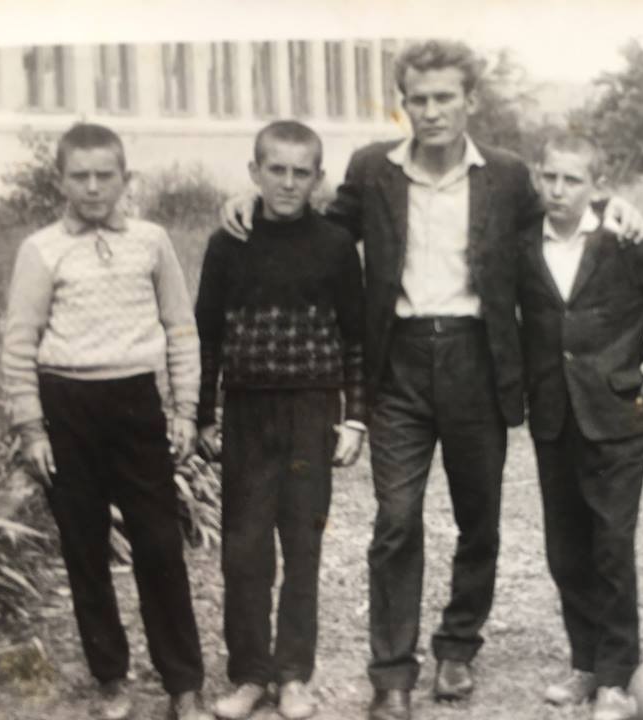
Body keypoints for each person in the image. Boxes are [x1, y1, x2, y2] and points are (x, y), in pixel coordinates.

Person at [220, 40, 643, 720]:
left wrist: (614, 206)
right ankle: (392, 674)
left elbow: (562, 217)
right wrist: (254, 198)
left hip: (479, 359)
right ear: (404, 104)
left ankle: (458, 644)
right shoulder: (374, 169)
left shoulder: (506, 175)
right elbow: (322, 231)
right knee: (396, 519)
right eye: (418, 99)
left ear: (469, 101)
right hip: (400, 363)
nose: (431, 111)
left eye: (445, 97)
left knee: (479, 520)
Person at [1, 123, 212, 720]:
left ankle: (183, 683)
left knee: (159, 545)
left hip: (136, 404)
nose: (92, 188)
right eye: (80, 177)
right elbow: (19, 343)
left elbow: (180, 329)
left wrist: (185, 409)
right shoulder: (41, 249)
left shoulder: (151, 241)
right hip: (66, 407)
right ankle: (111, 678)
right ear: (60, 181)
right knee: (84, 548)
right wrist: (32, 428)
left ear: (124, 179)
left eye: (104, 176)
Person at [518, 134, 643, 720]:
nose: (558, 190)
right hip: (554, 412)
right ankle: (585, 663)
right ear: (538, 177)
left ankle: (616, 677)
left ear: (597, 187)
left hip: (615, 412)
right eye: (550, 177)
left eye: (572, 180)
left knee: (611, 544)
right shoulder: (524, 240)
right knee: (565, 548)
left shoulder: (624, 240)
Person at [196, 120, 366, 720]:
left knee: (301, 545)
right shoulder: (227, 244)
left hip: (311, 411)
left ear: (318, 178)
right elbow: (207, 338)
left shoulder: (336, 245)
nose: (288, 183)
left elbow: (356, 339)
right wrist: (205, 415)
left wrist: (356, 418)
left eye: (301, 172)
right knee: (244, 552)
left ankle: (294, 675)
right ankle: (249, 674)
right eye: (277, 170)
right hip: (247, 411)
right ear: (255, 172)